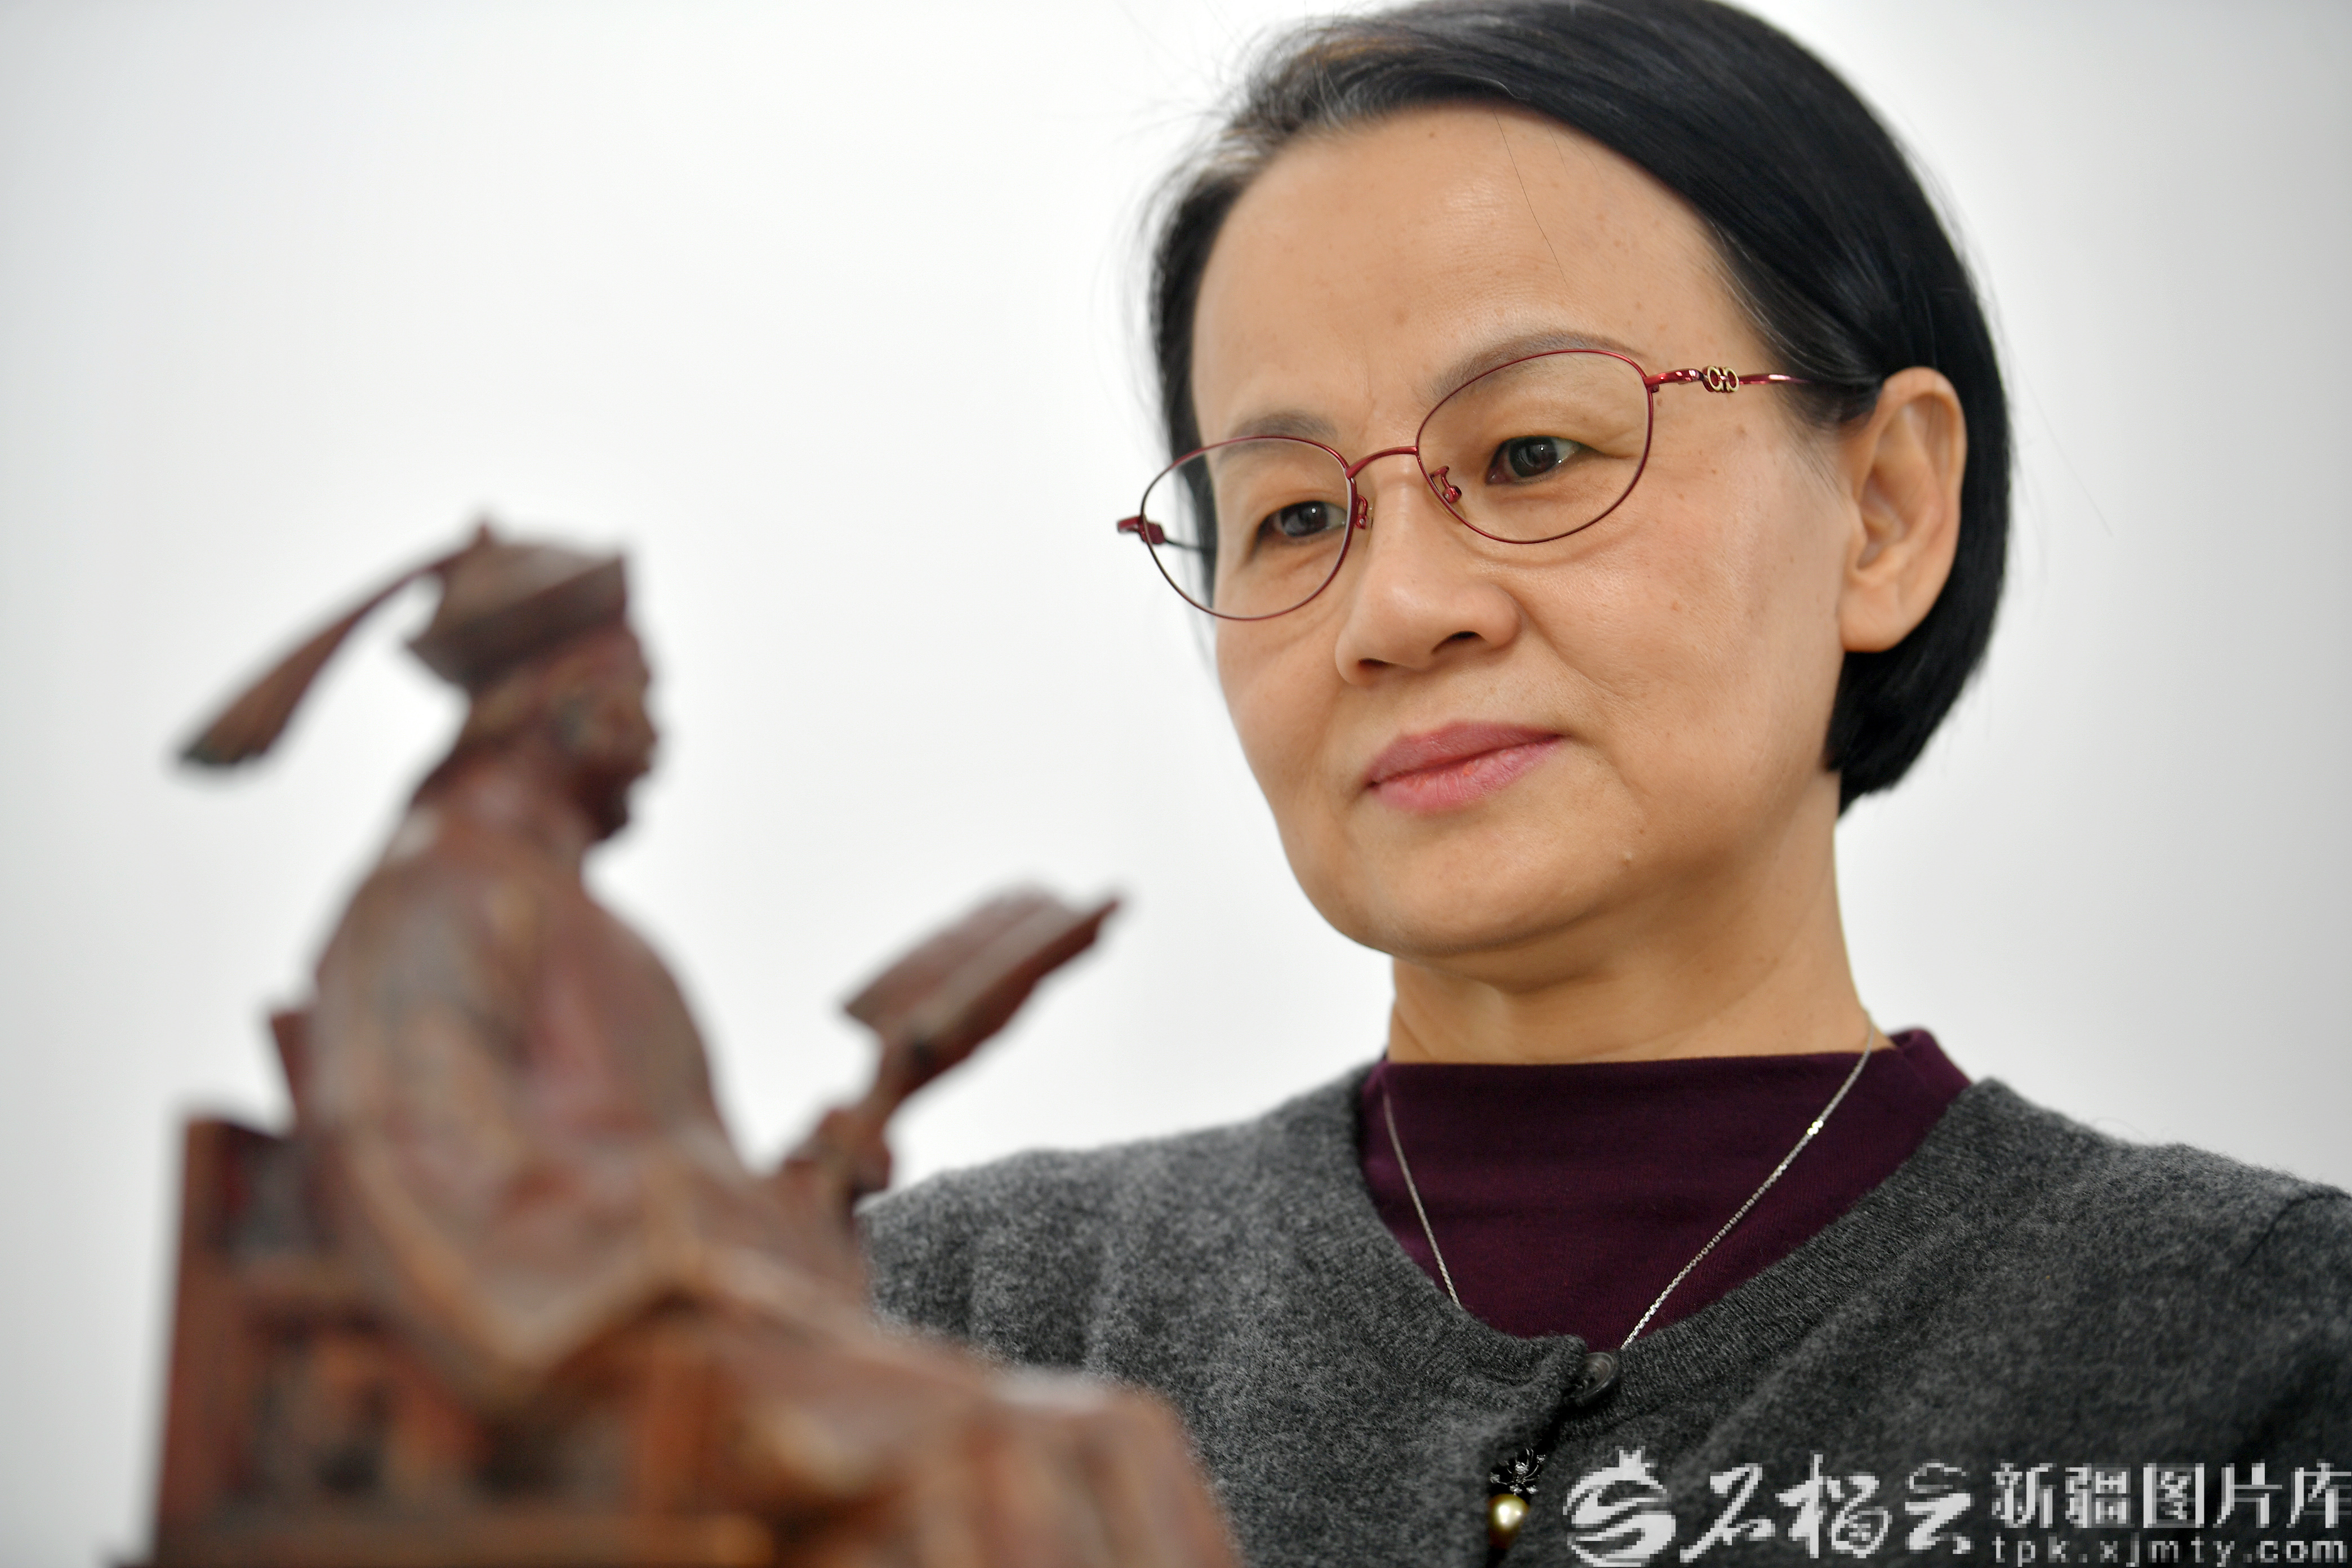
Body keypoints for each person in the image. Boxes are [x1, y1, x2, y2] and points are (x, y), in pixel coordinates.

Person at [857, 3, 2352, 1565]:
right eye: (1295, 518)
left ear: (1886, 511)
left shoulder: (2265, 1349)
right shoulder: (933, 1328)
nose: (1394, 612)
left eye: (1531, 454)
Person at [175, 525, 1239, 1567]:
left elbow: (689, 1196)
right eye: (642, 692)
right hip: (583, 1383)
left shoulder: (607, 938)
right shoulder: (433, 896)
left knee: (1121, 1433)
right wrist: (684, 1226)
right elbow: (432, 1181)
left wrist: (837, 1153)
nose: (658, 730)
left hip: (703, 1343)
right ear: (566, 704)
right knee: (1006, 1456)